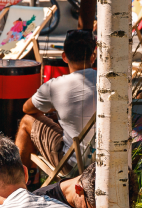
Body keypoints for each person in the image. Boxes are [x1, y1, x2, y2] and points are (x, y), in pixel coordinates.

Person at [15, 29, 97, 183]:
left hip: (73, 165)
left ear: (64, 57)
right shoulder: (109, 82)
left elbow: (27, 108)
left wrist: (54, 106)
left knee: (27, 121)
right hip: (106, 161)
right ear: (93, 56)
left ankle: (19, 182)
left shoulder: (55, 86)